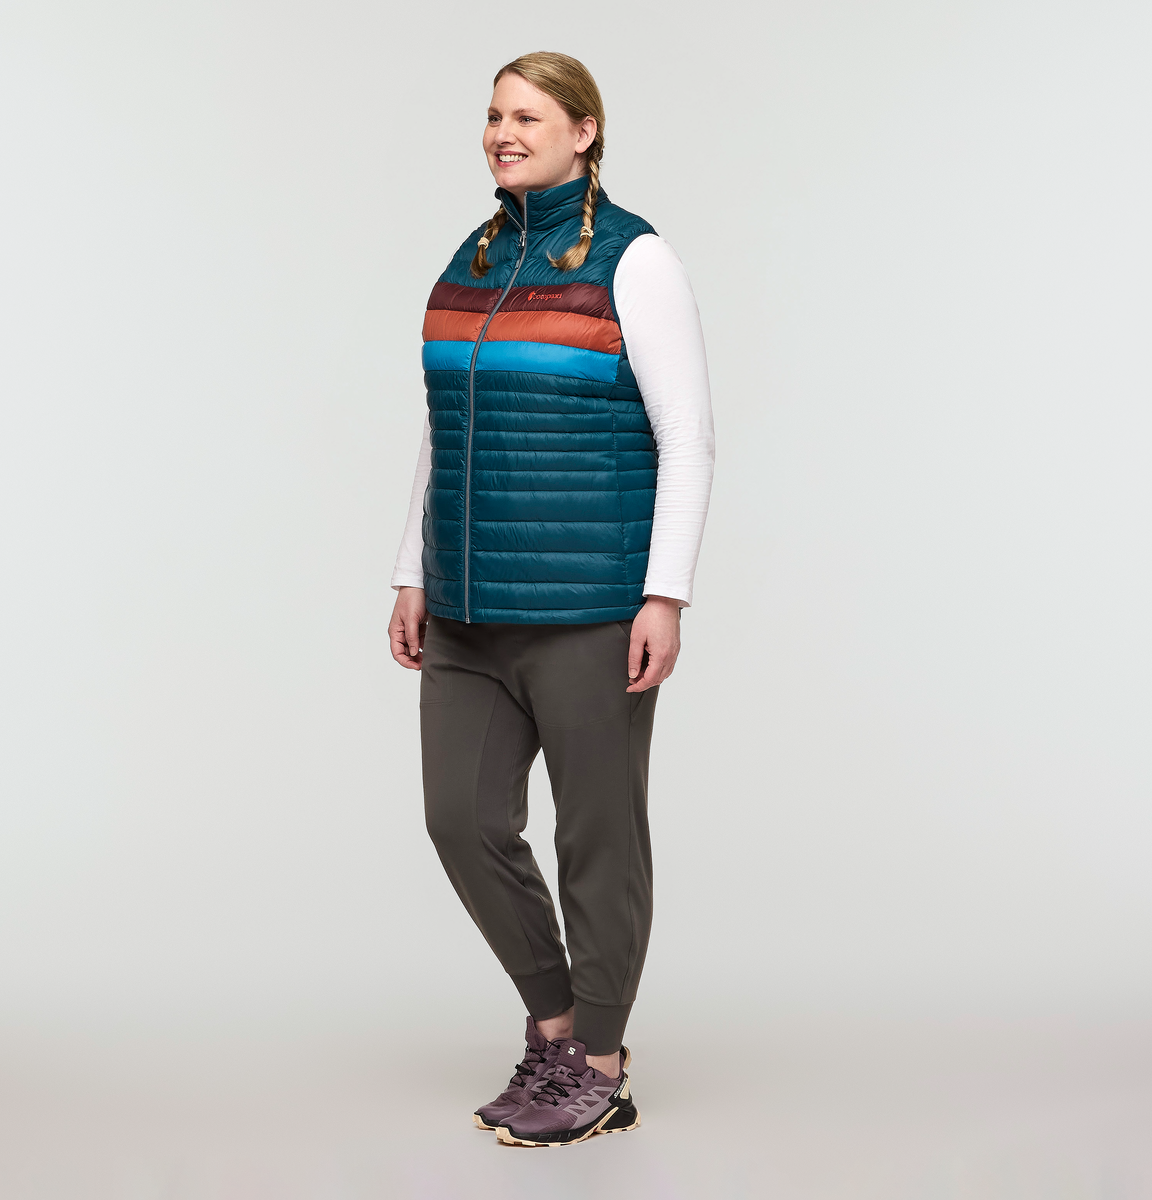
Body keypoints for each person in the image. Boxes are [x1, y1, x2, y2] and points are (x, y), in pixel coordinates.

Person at [387, 51, 715, 1148]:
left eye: (528, 115)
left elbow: (688, 438)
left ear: (585, 132)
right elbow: (445, 432)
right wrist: (412, 570)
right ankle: (559, 1024)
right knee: (462, 819)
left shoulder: (635, 259)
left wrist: (664, 595)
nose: (503, 132)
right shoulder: (471, 261)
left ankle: (600, 1066)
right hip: (467, 610)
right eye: (494, 114)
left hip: (589, 607)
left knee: (599, 835)